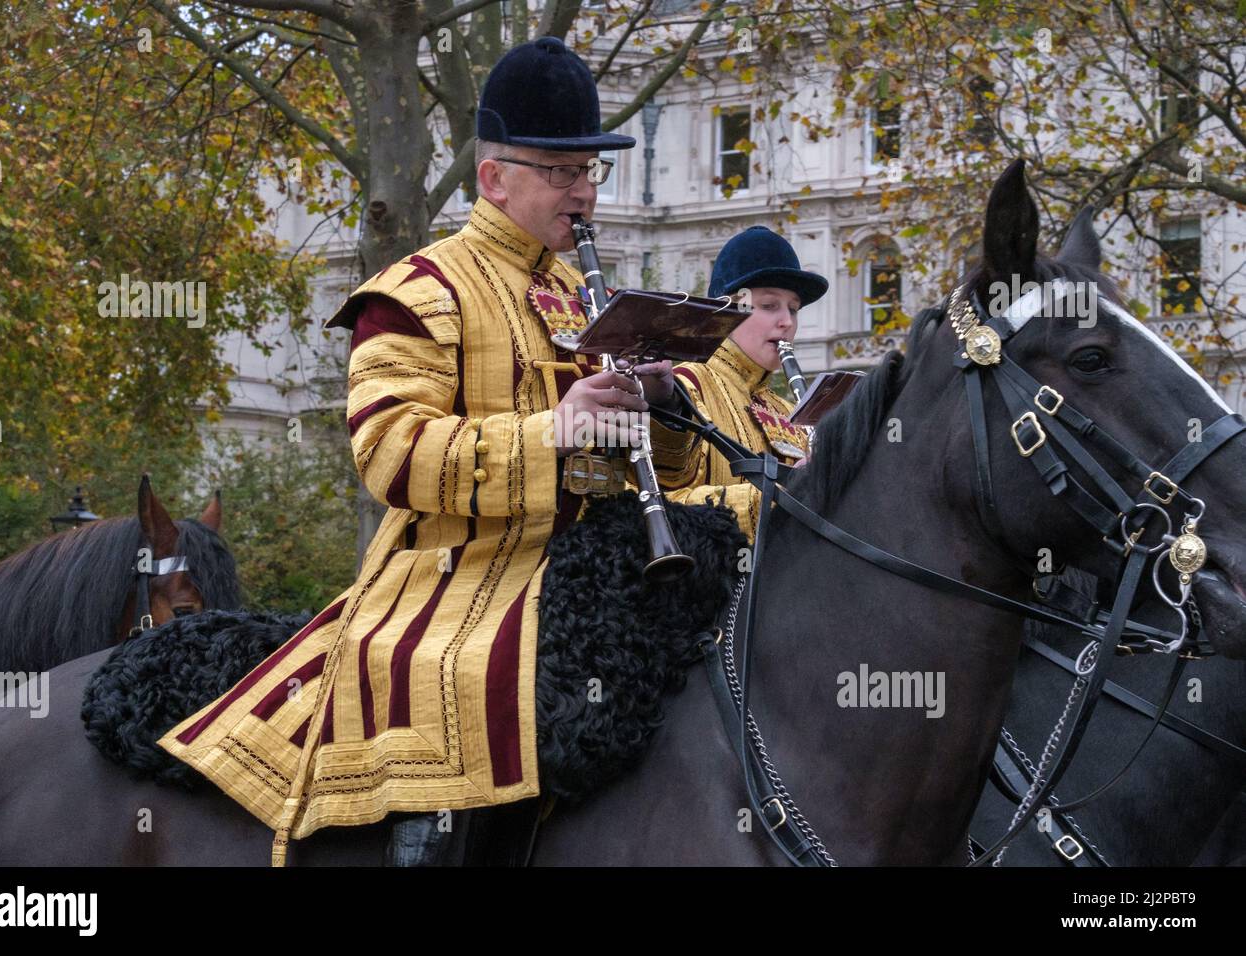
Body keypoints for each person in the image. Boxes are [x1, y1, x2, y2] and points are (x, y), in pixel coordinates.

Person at [157, 36, 663, 866]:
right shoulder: (417, 292)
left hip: (594, 558)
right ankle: (420, 844)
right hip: (451, 576)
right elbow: (391, 453)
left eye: (591, 172)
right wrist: (555, 429)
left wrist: (660, 413)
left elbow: (627, 460)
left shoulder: (592, 297)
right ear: (494, 178)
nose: (584, 192)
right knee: (472, 685)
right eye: (562, 171)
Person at [649, 226, 828, 540]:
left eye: (793, 309)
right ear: (726, 311)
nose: (787, 321)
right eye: (769, 306)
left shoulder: (788, 410)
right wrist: (784, 495)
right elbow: (666, 508)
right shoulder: (686, 386)